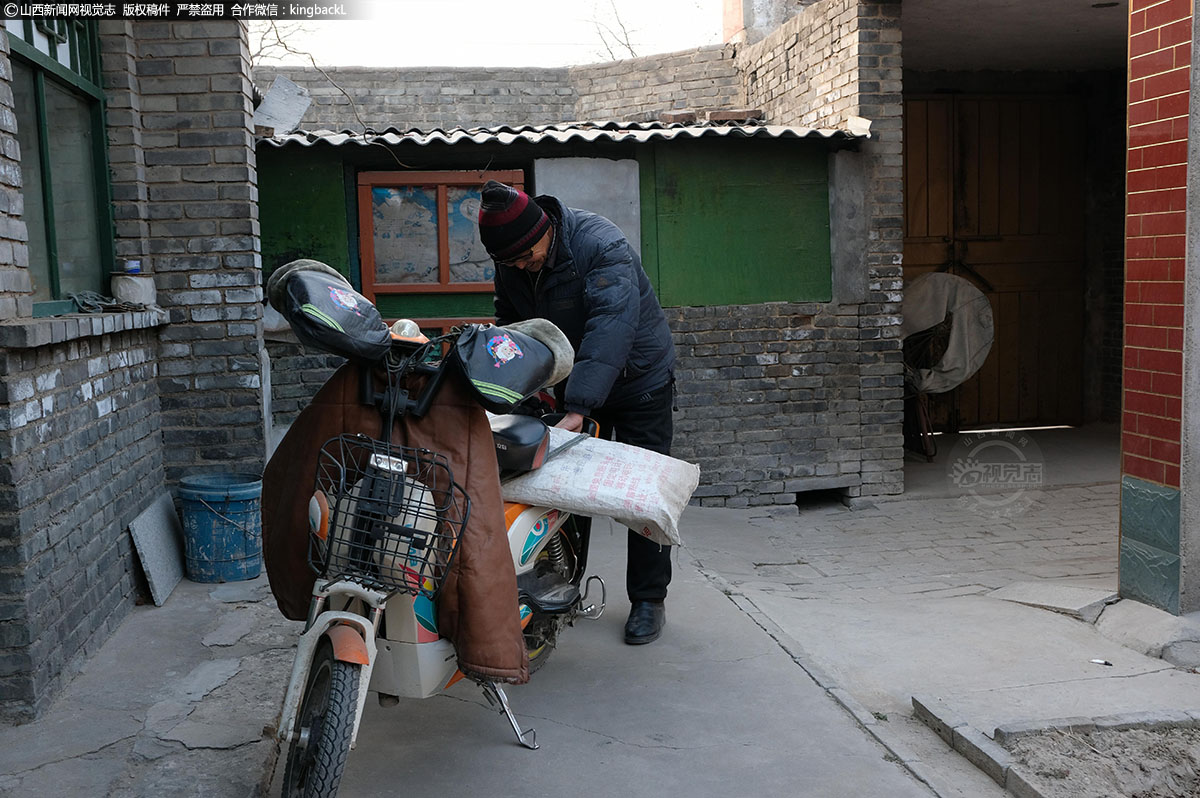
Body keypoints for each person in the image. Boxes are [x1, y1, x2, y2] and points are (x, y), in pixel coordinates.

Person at [478, 179, 676, 645]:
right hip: (573, 388)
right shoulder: (513, 263)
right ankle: (562, 589)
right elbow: (515, 329)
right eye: (512, 264)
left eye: (528, 257)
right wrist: (515, 394)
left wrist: (579, 406)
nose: (523, 267)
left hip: (638, 379)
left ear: (545, 229)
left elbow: (612, 326)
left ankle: (649, 600)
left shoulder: (600, 243)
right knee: (565, 490)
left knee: (640, 494)